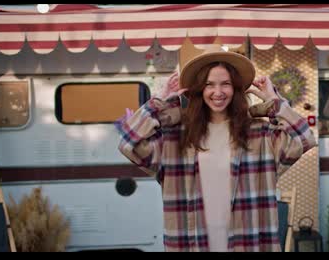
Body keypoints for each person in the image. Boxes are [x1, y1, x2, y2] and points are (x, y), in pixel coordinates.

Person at [115, 45, 316, 252]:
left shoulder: (259, 134)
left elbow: (304, 139)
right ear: (199, 89)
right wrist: (159, 102)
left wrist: (274, 102)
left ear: (235, 88)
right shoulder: (174, 138)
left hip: (248, 244)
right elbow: (129, 144)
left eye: (225, 84)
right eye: (209, 84)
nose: (218, 92)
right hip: (191, 244)